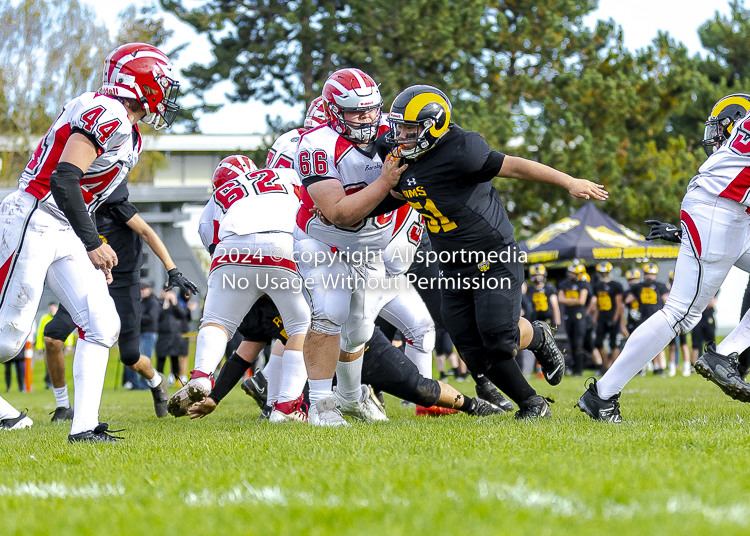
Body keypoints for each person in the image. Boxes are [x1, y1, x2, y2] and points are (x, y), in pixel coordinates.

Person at [381, 85, 606, 417]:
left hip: (492, 255)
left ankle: (540, 335)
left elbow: (514, 166)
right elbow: (386, 199)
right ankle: (531, 403)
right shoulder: (396, 157)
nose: (403, 135)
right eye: (400, 127)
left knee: (500, 339)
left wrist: (568, 180)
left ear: (435, 125)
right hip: (450, 264)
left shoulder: (461, 149)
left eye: (412, 129)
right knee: (473, 351)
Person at [0, 42, 180, 441]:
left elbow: (90, 195)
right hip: (35, 214)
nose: (167, 95)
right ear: (142, 83)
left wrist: (87, 242)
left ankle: (83, 427)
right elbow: (64, 178)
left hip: (63, 225)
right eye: (162, 84)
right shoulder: (108, 112)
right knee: (8, 339)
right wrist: (93, 241)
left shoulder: (129, 131)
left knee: (102, 322)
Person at [577, 93, 750, 421]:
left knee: (682, 312)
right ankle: (602, 395)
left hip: (728, 211)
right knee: (681, 314)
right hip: (721, 210)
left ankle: (726, 354)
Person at [293, 68, 405, 426]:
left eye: (373, 109)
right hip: (323, 237)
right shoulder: (316, 144)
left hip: (370, 242)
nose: (368, 118)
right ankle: (321, 404)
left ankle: (352, 398)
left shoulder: (394, 126)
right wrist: (387, 182)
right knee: (330, 312)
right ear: (332, 111)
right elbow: (338, 213)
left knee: (359, 328)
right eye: (357, 112)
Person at [167, 158, 311, 421]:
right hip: (282, 246)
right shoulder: (285, 174)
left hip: (231, 250)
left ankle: (201, 376)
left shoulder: (219, 197)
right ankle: (286, 407)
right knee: (301, 328)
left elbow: (213, 242)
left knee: (216, 322)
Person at [42, 181, 198, 420]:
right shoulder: (73, 209)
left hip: (123, 285)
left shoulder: (115, 205)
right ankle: (64, 406)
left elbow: (147, 233)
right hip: (88, 282)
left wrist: (173, 270)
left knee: (130, 357)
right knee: (53, 336)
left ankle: (156, 381)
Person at [558, 263, 591, 376]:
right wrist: (573, 300)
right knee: (570, 343)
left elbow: (582, 300)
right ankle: (571, 368)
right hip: (569, 316)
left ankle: (579, 369)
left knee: (578, 343)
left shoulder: (584, 284)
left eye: (574, 273)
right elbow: (560, 298)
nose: (571, 275)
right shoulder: (564, 283)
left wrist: (568, 300)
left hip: (579, 316)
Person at [591, 262, 624, 372]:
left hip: (612, 318)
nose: (604, 275)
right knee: (598, 342)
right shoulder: (597, 286)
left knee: (613, 343)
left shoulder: (616, 285)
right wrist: (594, 319)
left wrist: (615, 319)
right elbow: (597, 305)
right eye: (602, 273)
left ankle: (615, 367)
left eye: (606, 273)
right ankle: (606, 366)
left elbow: (619, 304)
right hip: (602, 317)